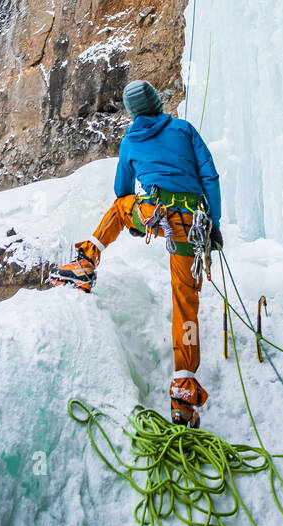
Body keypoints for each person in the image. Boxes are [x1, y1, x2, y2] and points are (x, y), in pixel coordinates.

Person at [51, 79, 223, 427]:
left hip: (153, 215)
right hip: (190, 225)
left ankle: (86, 262)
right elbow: (210, 176)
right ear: (157, 103)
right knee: (184, 302)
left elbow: (121, 190)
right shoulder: (184, 130)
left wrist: (136, 220)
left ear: (132, 113)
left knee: (120, 208)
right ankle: (183, 393)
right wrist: (214, 224)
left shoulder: (130, 140)